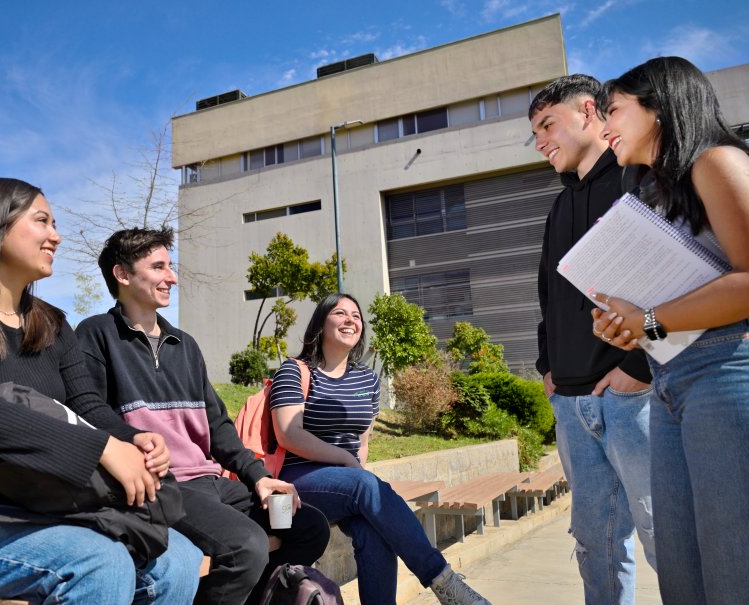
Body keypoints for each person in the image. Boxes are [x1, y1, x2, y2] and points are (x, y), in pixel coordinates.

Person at [0, 178, 202, 604]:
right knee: (97, 563)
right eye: (42, 221)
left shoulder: (52, 323)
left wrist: (130, 439)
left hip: (31, 496)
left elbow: (84, 405)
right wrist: (100, 448)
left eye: (55, 223)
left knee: (179, 558)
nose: (56, 236)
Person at [75, 227, 330, 605]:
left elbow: (218, 427)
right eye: (159, 267)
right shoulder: (96, 334)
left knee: (310, 527)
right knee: (246, 545)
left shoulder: (185, 345)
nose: (172, 277)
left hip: (214, 483)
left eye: (170, 266)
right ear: (123, 274)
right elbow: (88, 412)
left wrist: (259, 478)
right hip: (164, 486)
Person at [590, 56, 749, 604]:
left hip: (727, 374)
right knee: (682, 568)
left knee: (733, 563)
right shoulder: (654, 195)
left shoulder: (718, 161)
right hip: (669, 381)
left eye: (612, 109)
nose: (604, 125)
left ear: (658, 107)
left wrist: (650, 319)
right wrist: (628, 327)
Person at [269, 292, 492, 605]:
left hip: (348, 481)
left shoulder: (367, 379)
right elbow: (288, 434)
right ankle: (443, 581)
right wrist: (348, 463)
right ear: (321, 322)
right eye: (340, 313)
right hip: (298, 479)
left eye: (356, 316)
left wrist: (353, 467)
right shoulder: (294, 371)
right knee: (365, 484)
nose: (351, 320)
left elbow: (363, 440)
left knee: (374, 532)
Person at [528, 74, 656, 604]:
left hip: (634, 399)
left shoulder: (638, 182)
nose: (539, 141)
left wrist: (639, 370)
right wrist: (547, 369)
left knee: (668, 537)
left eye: (546, 124)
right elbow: (547, 298)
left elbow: (676, 282)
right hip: (572, 407)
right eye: (534, 133)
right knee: (596, 547)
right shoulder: (559, 207)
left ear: (588, 111)